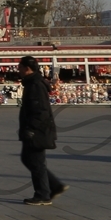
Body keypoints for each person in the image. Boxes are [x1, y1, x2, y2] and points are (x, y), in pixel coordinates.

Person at [16, 54, 67, 206]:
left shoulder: (35, 85)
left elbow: (40, 110)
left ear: (27, 68)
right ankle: (54, 186)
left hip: (37, 131)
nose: (18, 70)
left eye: (20, 67)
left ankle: (43, 194)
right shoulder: (32, 83)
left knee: (35, 162)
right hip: (36, 130)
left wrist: (31, 129)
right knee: (30, 159)